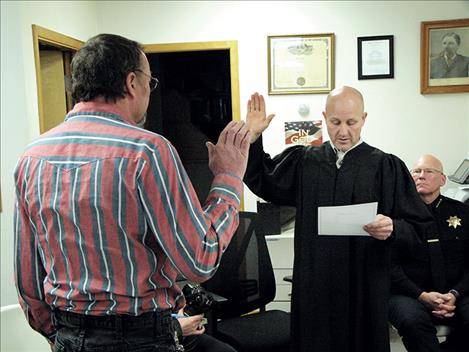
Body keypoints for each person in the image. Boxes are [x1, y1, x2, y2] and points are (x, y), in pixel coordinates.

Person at [13, 33, 250, 351]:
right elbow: (200, 259)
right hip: (141, 338)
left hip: (67, 336)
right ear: (131, 82)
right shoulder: (148, 151)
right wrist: (228, 178)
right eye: (150, 83)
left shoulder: (32, 157)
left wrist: (59, 336)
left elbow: (27, 277)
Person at [243, 87, 434, 352]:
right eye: (335, 122)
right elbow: (263, 179)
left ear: (364, 118)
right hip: (315, 286)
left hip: (364, 286)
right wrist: (253, 137)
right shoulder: (304, 161)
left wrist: (393, 228)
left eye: (351, 122)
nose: (343, 131)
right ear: (324, 117)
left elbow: (420, 229)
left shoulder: (385, 167)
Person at [389, 154, 469, 352]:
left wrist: (454, 294)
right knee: (412, 322)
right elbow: (387, 265)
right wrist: (422, 295)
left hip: (456, 291)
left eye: (429, 171)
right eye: (416, 171)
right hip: (408, 294)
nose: (421, 176)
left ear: (442, 179)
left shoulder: (462, 212)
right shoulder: (392, 215)